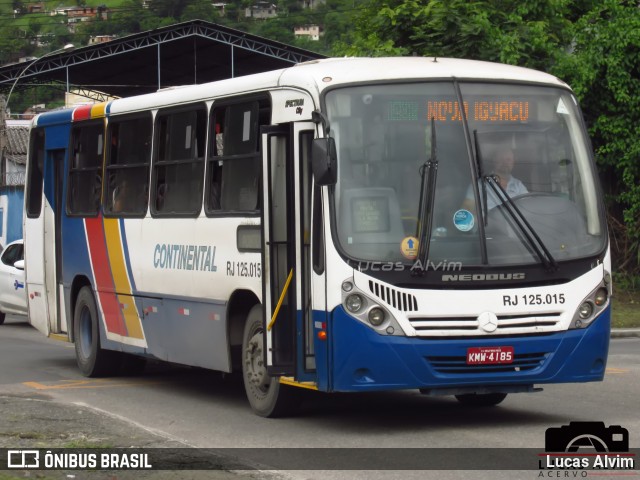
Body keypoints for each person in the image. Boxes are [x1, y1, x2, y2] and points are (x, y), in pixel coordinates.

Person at [461, 148, 528, 212]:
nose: (504, 163)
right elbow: (466, 211)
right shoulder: (480, 184)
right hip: (488, 224)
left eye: (508, 159)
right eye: (500, 159)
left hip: (515, 224)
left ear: (513, 162)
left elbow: (529, 208)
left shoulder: (519, 186)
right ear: (494, 161)